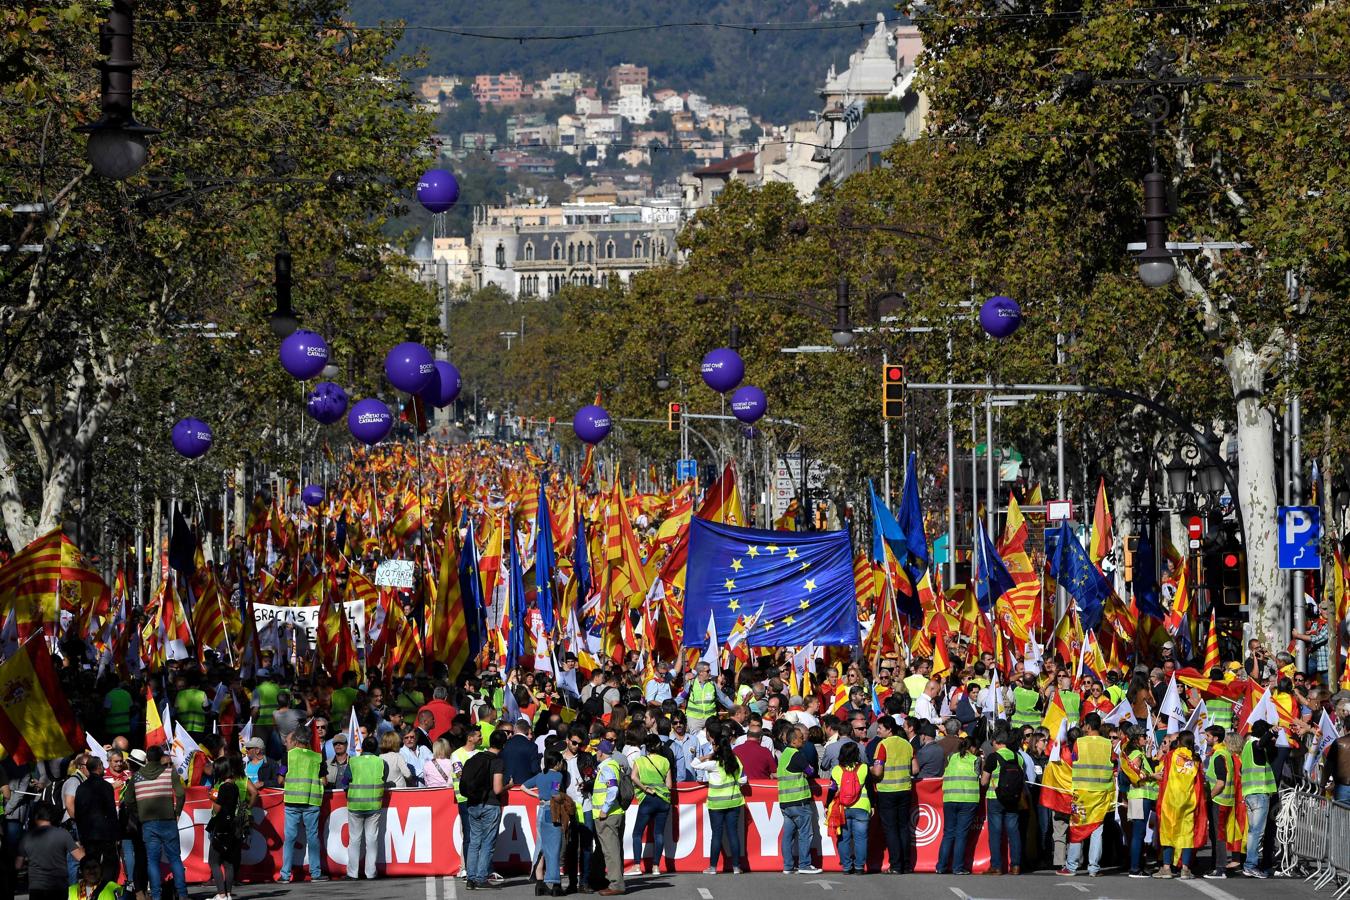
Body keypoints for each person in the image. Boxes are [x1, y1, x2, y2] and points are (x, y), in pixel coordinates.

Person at [123, 746, 188, 900]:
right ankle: (183, 894)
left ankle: (156, 896)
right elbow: (180, 793)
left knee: (152, 861)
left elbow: (128, 800)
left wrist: (139, 813)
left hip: (148, 824)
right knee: (175, 859)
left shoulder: (137, 776)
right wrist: (177, 812)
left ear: (147, 759)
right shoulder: (169, 772)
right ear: (160, 758)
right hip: (168, 821)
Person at [1063, 713, 1114, 877]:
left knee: (1077, 827)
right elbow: (1113, 763)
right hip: (1101, 792)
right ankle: (1093, 868)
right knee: (1097, 829)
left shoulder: (1079, 742)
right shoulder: (1108, 744)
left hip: (1082, 792)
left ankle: (1071, 866)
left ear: (1088, 726)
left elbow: (1072, 761)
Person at [1154, 732, 1207, 880]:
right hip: (1188, 801)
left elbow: (1163, 774)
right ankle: (1185, 869)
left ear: (1179, 741)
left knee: (1167, 833)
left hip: (1170, 800)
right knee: (1187, 836)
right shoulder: (1196, 759)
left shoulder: (1171, 755)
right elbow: (1199, 783)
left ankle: (1166, 868)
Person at [693, 730, 745, 875]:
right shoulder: (735, 760)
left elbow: (694, 763)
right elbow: (743, 780)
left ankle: (713, 867)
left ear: (716, 747)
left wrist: (708, 756)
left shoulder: (713, 763)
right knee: (733, 834)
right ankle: (736, 867)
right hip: (734, 801)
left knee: (716, 834)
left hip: (716, 804)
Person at [461, 729, 507, 891]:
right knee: (487, 843)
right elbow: (497, 789)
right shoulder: (497, 761)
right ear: (504, 744)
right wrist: (509, 785)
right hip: (490, 805)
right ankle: (481, 878)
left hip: (473, 803)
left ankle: (470, 878)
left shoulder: (475, 758)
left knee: (474, 842)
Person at [278, 728, 326, 883]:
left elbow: (280, 779)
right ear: (309, 740)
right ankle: (316, 873)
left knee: (290, 838)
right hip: (312, 801)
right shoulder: (318, 758)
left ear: (296, 739)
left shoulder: (288, 756)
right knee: (312, 838)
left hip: (292, 801)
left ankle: (285, 875)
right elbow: (324, 781)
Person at [869, 714, 914, 874]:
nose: (878, 730)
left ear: (889, 729)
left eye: (880, 728)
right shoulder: (907, 744)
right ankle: (906, 865)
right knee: (903, 827)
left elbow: (878, 771)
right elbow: (915, 769)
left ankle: (895, 865)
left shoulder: (883, 745)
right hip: (905, 790)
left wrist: (871, 771)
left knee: (891, 829)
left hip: (887, 792)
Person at [775, 725, 820, 875]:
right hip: (799, 801)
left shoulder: (784, 755)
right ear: (794, 741)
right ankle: (805, 864)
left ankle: (788, 866)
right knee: (805, 834)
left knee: (788, 836)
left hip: (785, 803)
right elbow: (810, 771)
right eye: (801, 738)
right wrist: (808, 771)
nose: (804, 740)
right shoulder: (796, 754)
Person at [207, 755, 253, 900]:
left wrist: (213, 797)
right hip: (233, 828)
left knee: (214, 861)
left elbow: (217, 808)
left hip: (222, 827)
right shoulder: (234, 786)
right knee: (229, 863)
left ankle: (221, 894)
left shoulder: (223, 787)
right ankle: (227, 894)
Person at [980, 728, 1024, 875]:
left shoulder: (993, 757)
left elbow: (984, 782)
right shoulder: (1018, 757)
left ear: (996, 742)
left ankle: (996, 866)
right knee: (1014, 832)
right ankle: (1016, 866)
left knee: (995, 833)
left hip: (995, 799)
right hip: (1014, 799)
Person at [525, 750, 568, 897]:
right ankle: (556, 885)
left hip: (541, 810)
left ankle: (539, 883)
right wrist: (564, 799)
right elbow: (555, 794)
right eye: (561, 761)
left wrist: (537, 795)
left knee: (542, 846)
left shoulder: (540, 775)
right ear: (556, 763)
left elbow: (524, 786)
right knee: (554, 848)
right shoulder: (558, 775)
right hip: (552, 811)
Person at [935, 734, 979, 875]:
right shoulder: (976, 760)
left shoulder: (951, 758)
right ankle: (957, 867)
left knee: (948, 833)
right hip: (968, 800)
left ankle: (941, 866)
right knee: (961, 835)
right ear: (972, 748)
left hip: (950, 798)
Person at [347, 736, 390, 881]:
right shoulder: (381, 762)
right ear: (376, 748)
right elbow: (383, 779)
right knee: (372, 840)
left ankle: (352, 873)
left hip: (355, 806)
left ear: (363, 748)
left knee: (354, 840)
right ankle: (371, 873)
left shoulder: (352, 761)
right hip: (373, 805)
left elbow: (345, 780)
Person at [629, 734, 672, 876]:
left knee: (637, 833)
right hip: (663, 800)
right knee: (658, 833)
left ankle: (636, 866)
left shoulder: (640, 761)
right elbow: (669, 785)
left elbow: (633, 777)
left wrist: (645, 788)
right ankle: (656, 867)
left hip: (647, 798)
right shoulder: (665, 761)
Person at [17, 803, 79, 900]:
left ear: (36, 817)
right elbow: (79, 857)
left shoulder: (27, 837)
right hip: (59, 887)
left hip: (36, 887)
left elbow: (18, 865)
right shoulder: (63, 834)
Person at [1121, 726, 1160, 877]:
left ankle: (1136, 866)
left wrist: (1148, 755)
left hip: (1138, 797)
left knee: (1138, 832)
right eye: (1143, 736)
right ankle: (1135, 868)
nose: (1145, 737)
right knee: (1138, 833)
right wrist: (1154, 776)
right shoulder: (1136, 753)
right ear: (1136, 738)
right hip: (1140, 796)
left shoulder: (1137, 752)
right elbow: (1136, 775)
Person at [73, 758, 119, 883]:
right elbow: (111, 812)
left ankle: (93, 888)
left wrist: (81, 834)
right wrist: (115, 833)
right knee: (109, 863)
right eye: (102, 766)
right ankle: (106, 888)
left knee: (92, 865)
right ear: (98, 767)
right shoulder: (105, 786)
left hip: (88, 833)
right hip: (105, 833)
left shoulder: (81, 787)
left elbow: (78, 813)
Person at [591, 740, 627, 896]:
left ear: (600, 752)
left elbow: (612, 788)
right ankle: (617, 881)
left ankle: (616, 884)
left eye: (596, 751)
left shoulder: (607, 768)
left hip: (608, 816)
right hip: (616, 813)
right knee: (615, 849)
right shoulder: (612, 766)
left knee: (610, 851)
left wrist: (604, 809)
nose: (595, 754)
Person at [1240, 721, 1276, 877]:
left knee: (1252, 832)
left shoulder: (1247, 746)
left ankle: (1249, 863)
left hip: (1249, 793)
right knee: (1256, 832)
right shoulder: (1255, 745)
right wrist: (1271, 733)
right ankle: (1251, 865)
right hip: (1259, 794)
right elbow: (1261, 744)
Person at [829, 742, 870, 876]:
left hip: (843, 808)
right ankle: (859, 867)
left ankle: (846, 867)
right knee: (861, 838)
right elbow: (870, 789)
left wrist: (827, 805)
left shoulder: (836, 770)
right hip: (862, 807)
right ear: (857, 754)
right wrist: (874, 805)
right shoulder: (864, 768)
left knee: (843, 838)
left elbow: (831, 790)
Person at [1203, 726, 1238, 879]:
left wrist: (1208, 797)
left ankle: (1220, 868)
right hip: (1225, 800)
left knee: (1219, 836)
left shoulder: (1219, 755)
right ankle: (1217, 866)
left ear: (1215, 738)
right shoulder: (1224, 753)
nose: (1206, 738)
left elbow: (1220, 783)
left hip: (1219, 800)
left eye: (1208, 735)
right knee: (1218, 834)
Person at [675, 662, 734, 733]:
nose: (710, 673)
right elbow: (681, 697)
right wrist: (670, 706)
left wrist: (735, 708)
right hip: (694, 720)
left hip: (710, 719)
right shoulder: (691, 684)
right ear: (700, 672)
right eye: (708, 671)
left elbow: (723, 699)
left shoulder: (712, 684)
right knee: (696, 741)